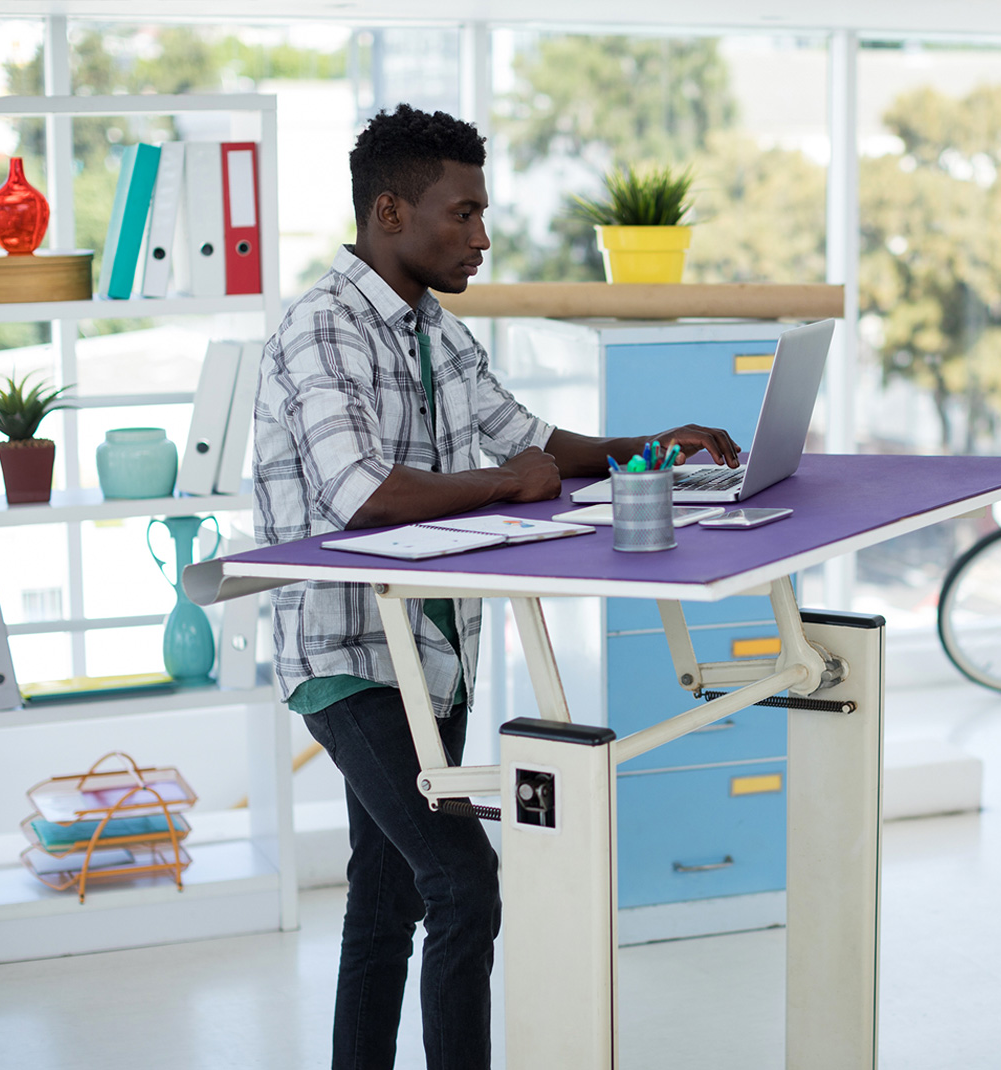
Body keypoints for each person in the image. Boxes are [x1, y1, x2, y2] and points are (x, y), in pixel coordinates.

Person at [252, 103, 740, 1070]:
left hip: (430, 652)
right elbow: (363, 495)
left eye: (483, 215)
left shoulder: (433, 328)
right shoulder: (322, 328)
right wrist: (504, 482)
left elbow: (534, 442)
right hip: (346, 656)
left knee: (386, 895)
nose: (482, 237)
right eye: (462, 214)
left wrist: (650, 448)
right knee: (463, 883)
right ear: (390, 212)